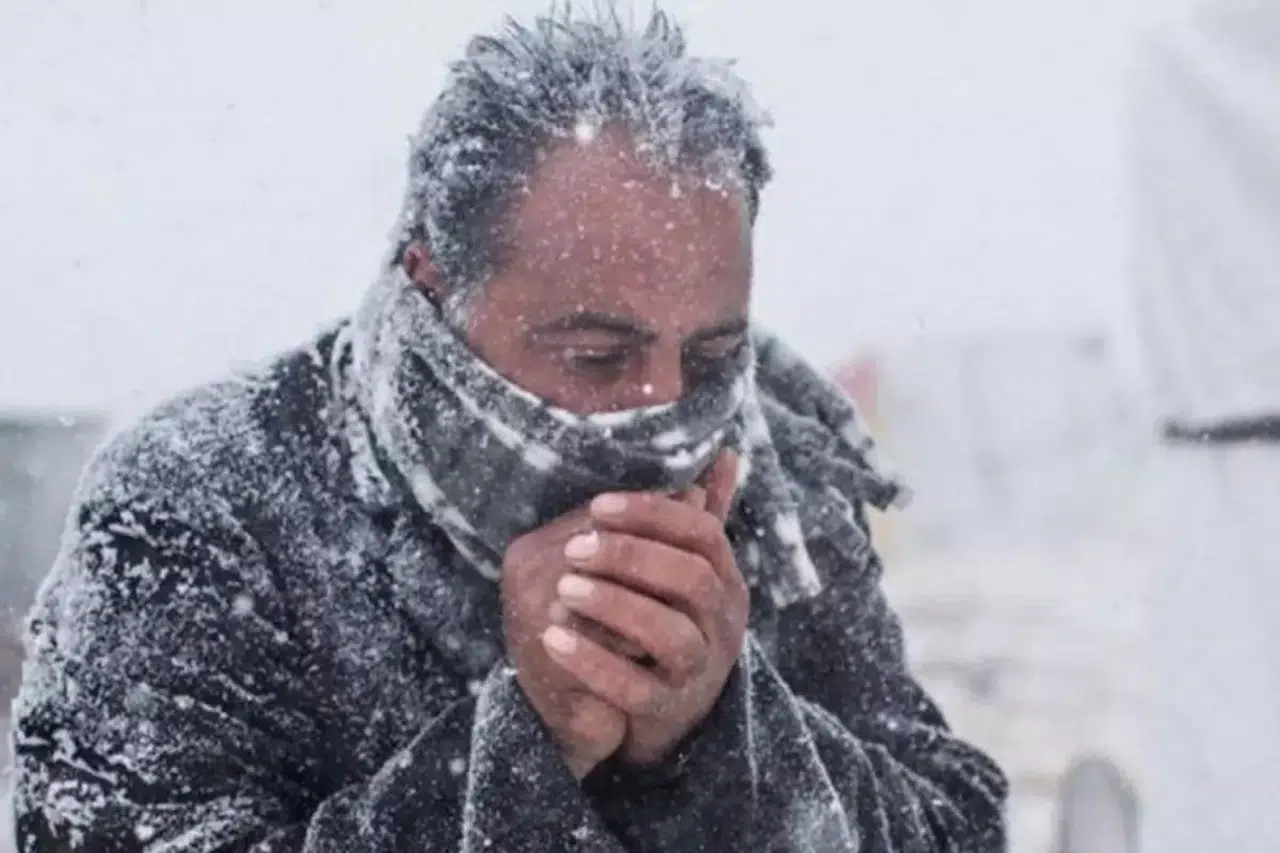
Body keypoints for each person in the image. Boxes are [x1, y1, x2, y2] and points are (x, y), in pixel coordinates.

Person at [8, 7, 1007, 851]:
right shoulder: (202, 507)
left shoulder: (777, 474)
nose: (665, 412)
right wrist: (526, 747)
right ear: (433, 280)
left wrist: (715, 734)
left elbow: (949, 823)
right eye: (594, 354)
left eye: (707, 358)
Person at [1131, 2, 1280, 850]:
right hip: (1218, 460)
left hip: (1217, 459)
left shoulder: (1170, 58)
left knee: (1233, 774)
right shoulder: (1174, 55)